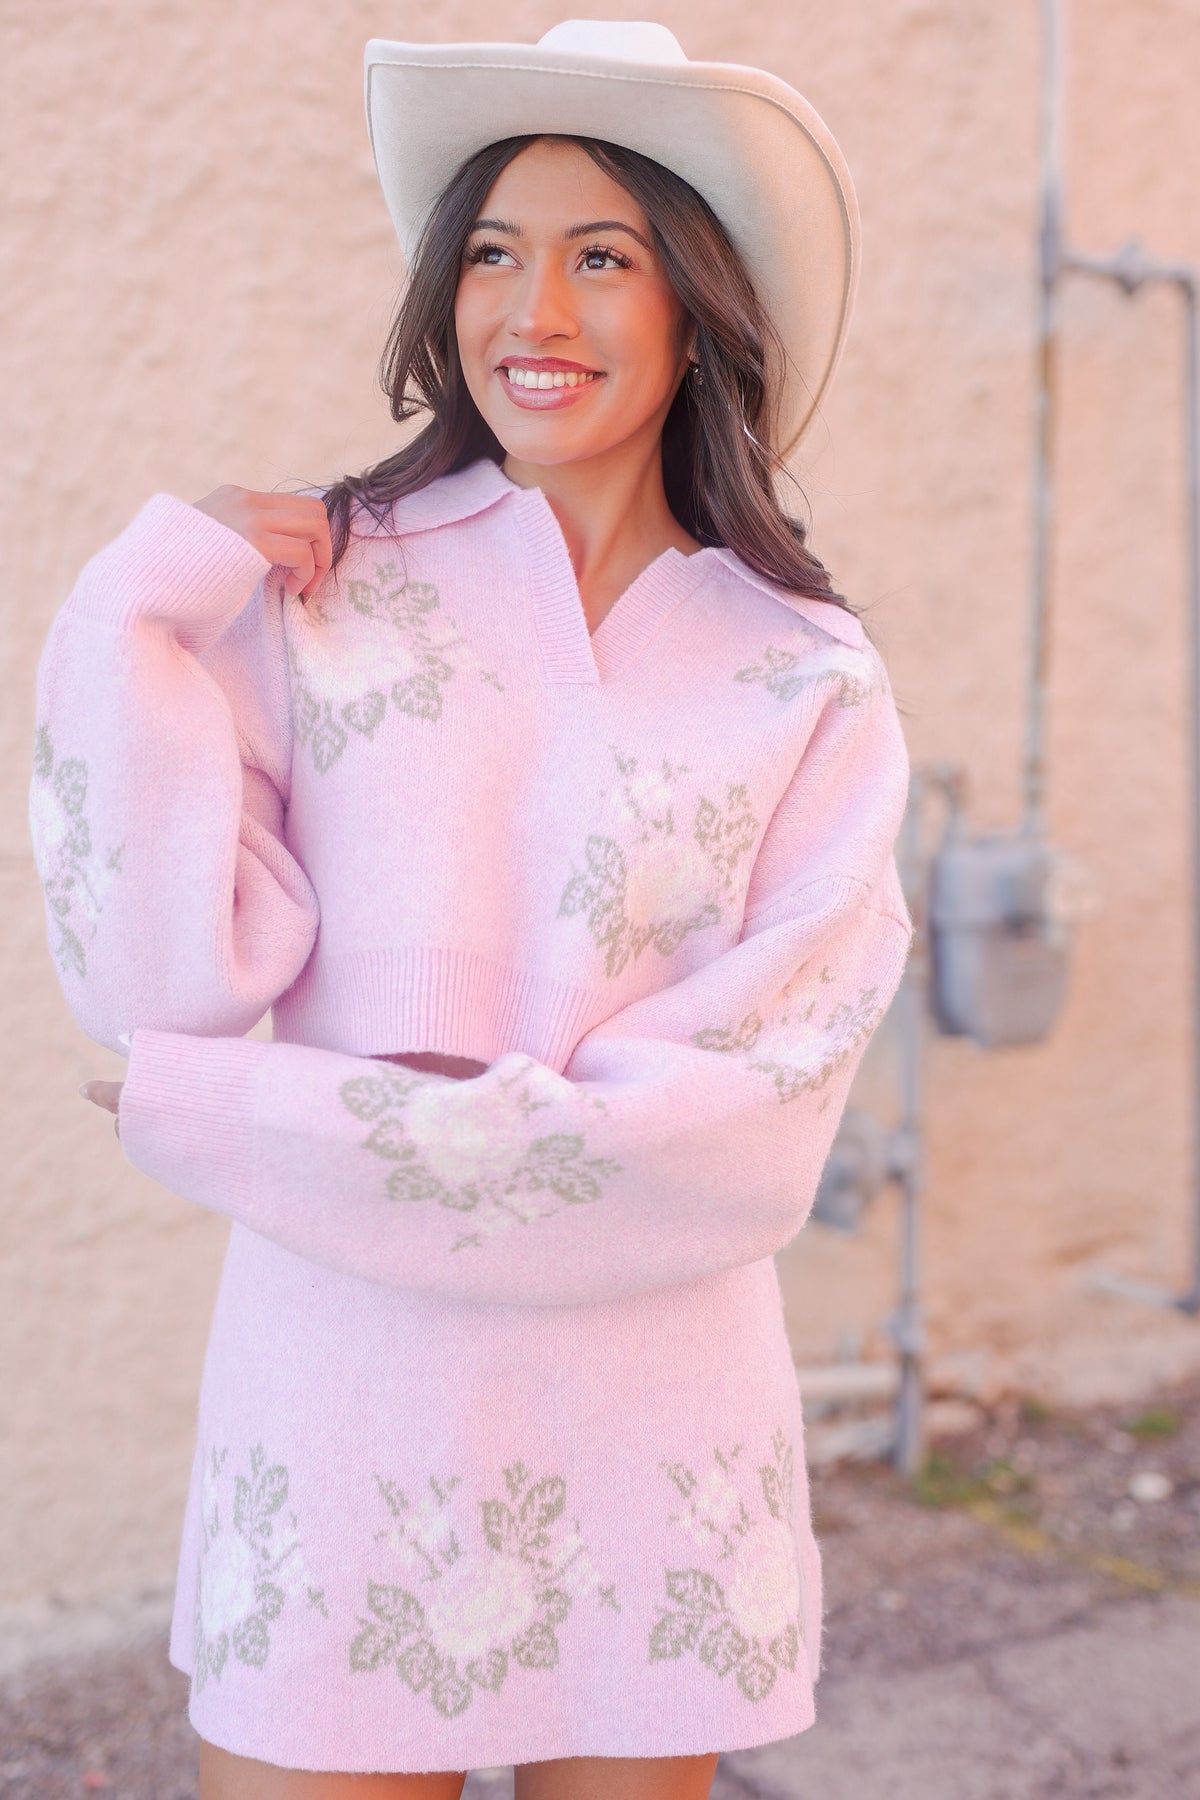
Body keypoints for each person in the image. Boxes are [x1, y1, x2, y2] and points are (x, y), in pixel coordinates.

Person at [30, 20, 912, 1800]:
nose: (538, 311)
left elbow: (727, 1142)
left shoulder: (806, 676)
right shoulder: (321, 594)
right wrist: (144, 608)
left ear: (700, 302)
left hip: (653, 1400)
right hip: (348, 1383)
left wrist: (262, 1126)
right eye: (496, 252)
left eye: (604, 257)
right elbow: (154, 977)